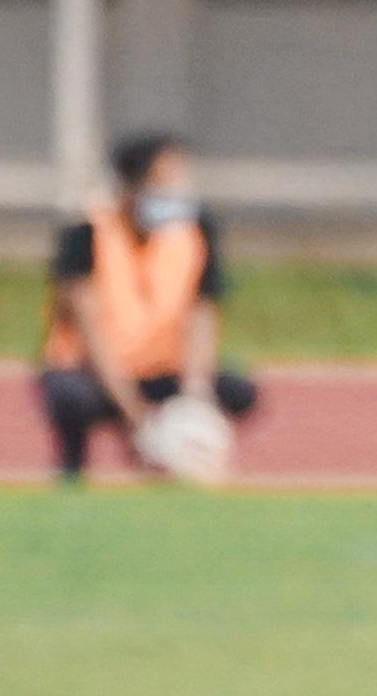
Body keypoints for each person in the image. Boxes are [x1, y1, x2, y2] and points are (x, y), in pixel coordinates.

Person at [34, 131, 258, 484]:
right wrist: (138, 420)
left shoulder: (194, 232)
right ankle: (71, 471)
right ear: (132, 186)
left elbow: (201, 316)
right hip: (93, 370)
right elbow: (90, 331)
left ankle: (195, 460)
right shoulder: (86, 233)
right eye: (165, 182)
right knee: (69, 395)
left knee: (235, 388)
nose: (177, 192)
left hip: (162, 369)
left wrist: (194, 397)